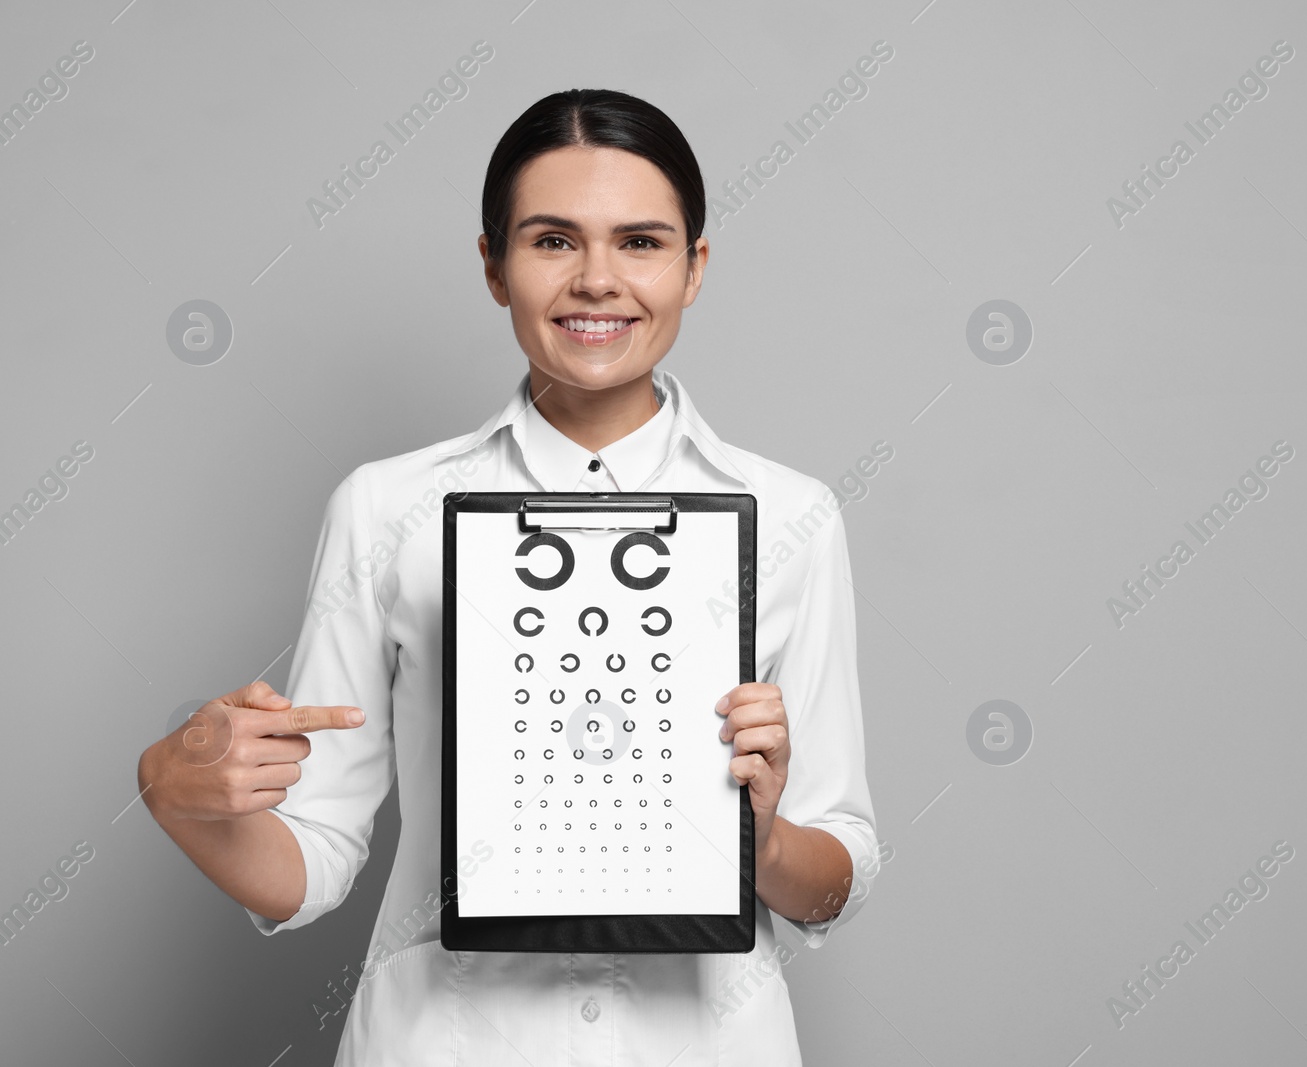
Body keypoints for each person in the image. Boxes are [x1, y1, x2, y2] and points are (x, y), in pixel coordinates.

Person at [136, 88, 880, 1065]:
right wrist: (173, 792)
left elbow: (837, 874)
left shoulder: (792, 517)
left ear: (695, 268)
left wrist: (764, 837)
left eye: (642, 242)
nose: (598, 281)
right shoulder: (386, 508)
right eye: (552, 240)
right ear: (494, 265)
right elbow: (313, 862)